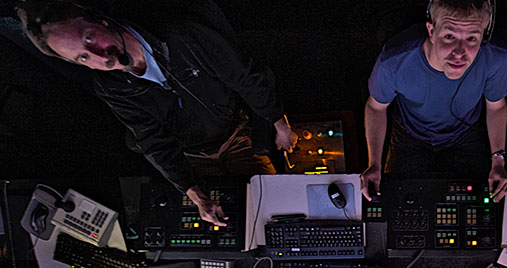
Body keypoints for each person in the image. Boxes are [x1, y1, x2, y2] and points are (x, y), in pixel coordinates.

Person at [17, 1, 297, 225]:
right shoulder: (110, 87)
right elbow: (151, 139)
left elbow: (244, 77)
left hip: (235, 135)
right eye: (83, 57)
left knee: (269, 211)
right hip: (192, 155)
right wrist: (194, 194)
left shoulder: (181, 32)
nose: (99, 56)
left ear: (99, 20)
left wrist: (279, 124)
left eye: (89, 38)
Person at [360, 0, 507, 202]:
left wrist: (498, 161)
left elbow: (496, 107)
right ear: (431, 31)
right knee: (396, 201)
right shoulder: (395, 60)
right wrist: (375, 164)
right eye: (449, 36)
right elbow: (376, 107)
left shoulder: (495, 58)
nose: (459, 53)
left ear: (484, 36)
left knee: (483, 202)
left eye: (472, 39)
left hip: (465, 134)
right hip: (409, 135)